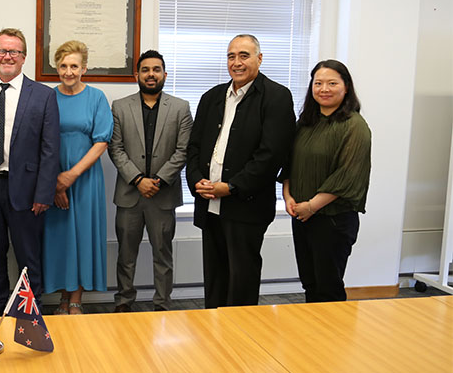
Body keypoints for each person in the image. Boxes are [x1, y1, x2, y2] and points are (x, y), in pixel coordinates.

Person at [186, 34, 296, 308]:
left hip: (246, 206)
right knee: (215, 277)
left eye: (244, 55)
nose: (237, 62)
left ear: (259, 58)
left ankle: (243, 340)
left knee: (241, 278)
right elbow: (194, 148)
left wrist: (231, 187)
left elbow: (271, 155)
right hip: (209, 203)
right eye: (231, 56)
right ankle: (214, 333)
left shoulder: (276, 97)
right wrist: (197, 181)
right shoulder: (211, 97)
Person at [0, 28, 60, 315]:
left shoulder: (43, 95)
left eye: (14, 52)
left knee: (28, 257)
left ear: (24, 58)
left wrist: (44, 192)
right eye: (2, 51)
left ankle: (31, 313)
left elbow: (50, 149)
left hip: (27, 190)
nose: (7, 56)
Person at [109, 49, 192, 313]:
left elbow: (183, 150)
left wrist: (156, 180)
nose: (151, 74)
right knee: (126, 257)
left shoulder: (180, 108)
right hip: (130, 195)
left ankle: (163, 306)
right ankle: (123, 303)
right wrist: (137, 179)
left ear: (164, 74)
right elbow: (116, 148)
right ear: (137, 74)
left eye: (156, 70)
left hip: (163, 195)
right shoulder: (120, 107)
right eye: (145, 70)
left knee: (163, 257)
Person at [281, 59, 371, 303]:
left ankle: (334, 340)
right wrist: (288, 197)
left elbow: (347, 175)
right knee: (310, 284)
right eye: (318, 83)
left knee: (328, 286)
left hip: (332, 220)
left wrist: (311, 206)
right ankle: (313, 338)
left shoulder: (354, 126)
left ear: (346, 87)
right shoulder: (306, 123)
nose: (324, 89)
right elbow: (289, 163)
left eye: (332, 83)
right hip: (301, 216)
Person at [42, 40, 112, 315]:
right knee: (59, 237)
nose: (68, 71)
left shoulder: (96, 98)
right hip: (51, 178)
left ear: (84, 68)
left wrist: (71, 176)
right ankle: (62, 295)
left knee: (83, 235)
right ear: (56, 68)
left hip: (85, 178)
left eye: (74, 66)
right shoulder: (47, 97)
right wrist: (56, 183)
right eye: (63, 66)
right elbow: (39, 141)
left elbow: (101, 141)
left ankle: (76, 299)